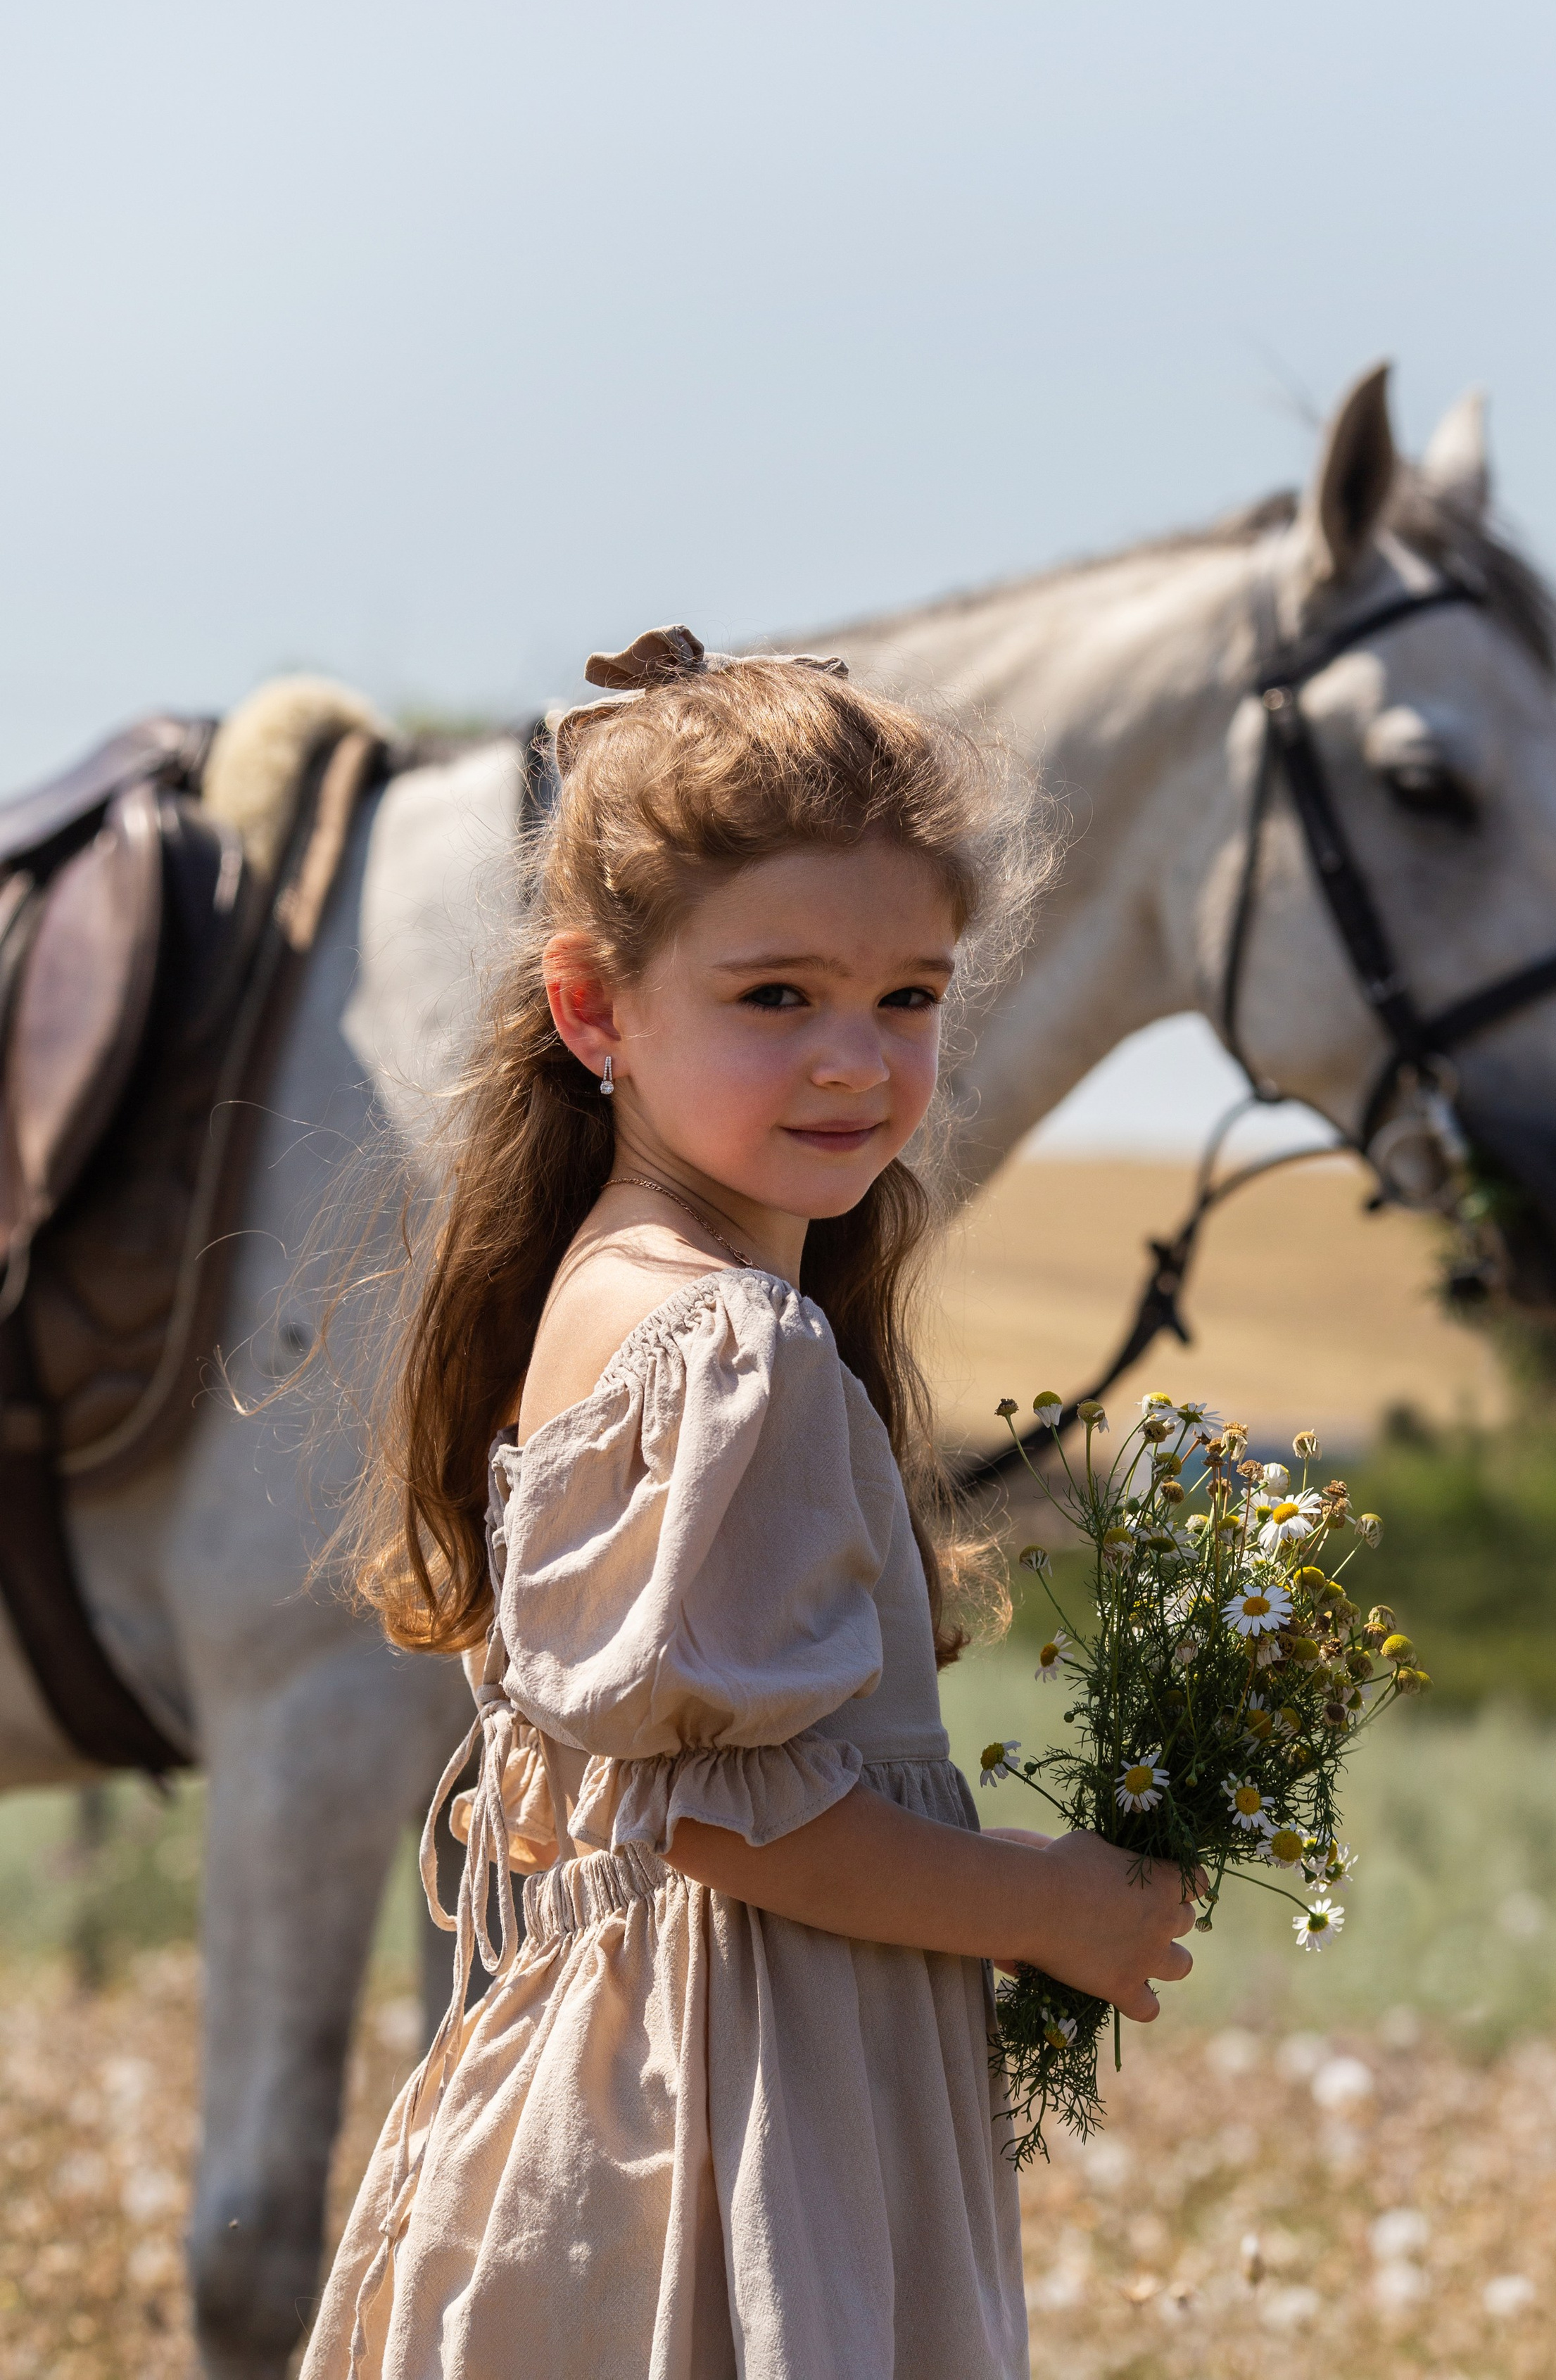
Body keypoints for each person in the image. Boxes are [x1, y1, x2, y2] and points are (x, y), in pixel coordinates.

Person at [302, 626, 1195, 2380]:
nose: (855, 1060)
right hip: (729, 2123)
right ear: (593, 1009)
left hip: (643, 2087)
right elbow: (716, 1824)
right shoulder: (726, 1339)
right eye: (775, 996)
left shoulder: (614, 1283)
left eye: (908, 998)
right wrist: (1038, 1903)